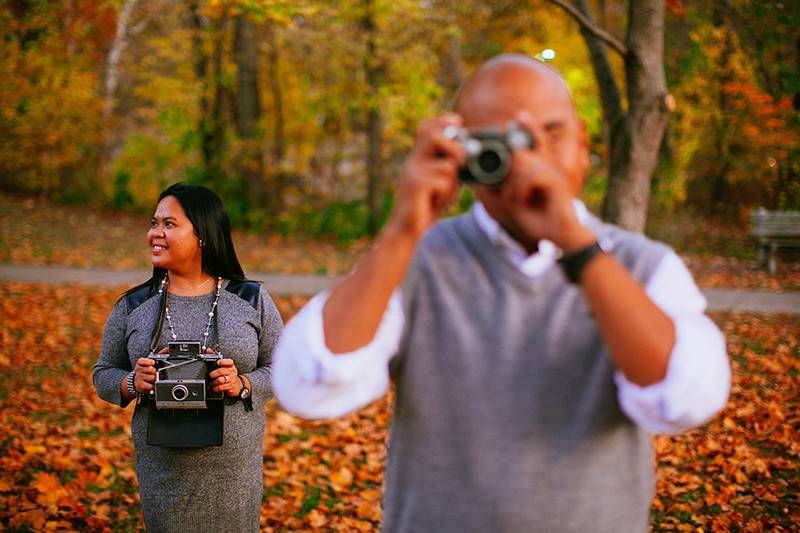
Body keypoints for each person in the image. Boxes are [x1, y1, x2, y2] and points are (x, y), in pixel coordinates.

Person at [271, 55, 730, 532]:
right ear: (463, 155)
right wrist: (402, 231)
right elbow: (308, 387)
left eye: (546, 135)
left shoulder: (642, 265)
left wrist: (576, 246)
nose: (527, 160)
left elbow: (684, 399)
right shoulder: (415, 260)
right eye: (501, 143)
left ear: (582, 145)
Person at [93, 183, 283, 532]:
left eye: (169, 224)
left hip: (233, 469)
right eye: (154, 223)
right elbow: (103, 372)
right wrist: (133, 382)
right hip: (164, 467)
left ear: (202, 235)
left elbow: (283, 369)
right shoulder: (133, 305)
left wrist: (242, 384)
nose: (155, 233)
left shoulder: (251, 298)